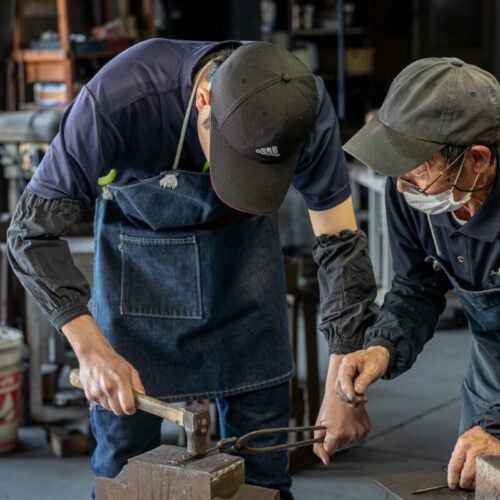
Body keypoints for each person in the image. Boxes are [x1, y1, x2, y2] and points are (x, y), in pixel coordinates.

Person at [7, 39, 377, 498]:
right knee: (126, 476)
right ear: (204, 99)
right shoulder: (119, 100)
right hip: (134, 295)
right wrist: (91, 350)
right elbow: (29, 235)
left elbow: (340, 246)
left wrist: (343, 380)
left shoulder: (300, 105)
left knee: (264, 481)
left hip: (245, 282)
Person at [337, 57, 500, 491]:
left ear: (477, 159)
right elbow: (416, 286)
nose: (401, 186)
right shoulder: (410, 191)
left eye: (417, 171)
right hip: (491, 371)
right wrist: (381, 347)